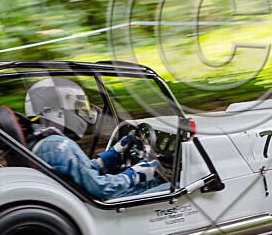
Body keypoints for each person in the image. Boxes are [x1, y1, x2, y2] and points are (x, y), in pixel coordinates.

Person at [24, 77, 168, 200]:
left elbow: (78, 172)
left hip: (78, 199)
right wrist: (133, 175)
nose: (82, 114)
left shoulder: (39, 144)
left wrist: (111, 156)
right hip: (97, 204)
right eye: (78, 107)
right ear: (58, 111)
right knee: (172, 187)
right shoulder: (60, 146)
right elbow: (99, 187)